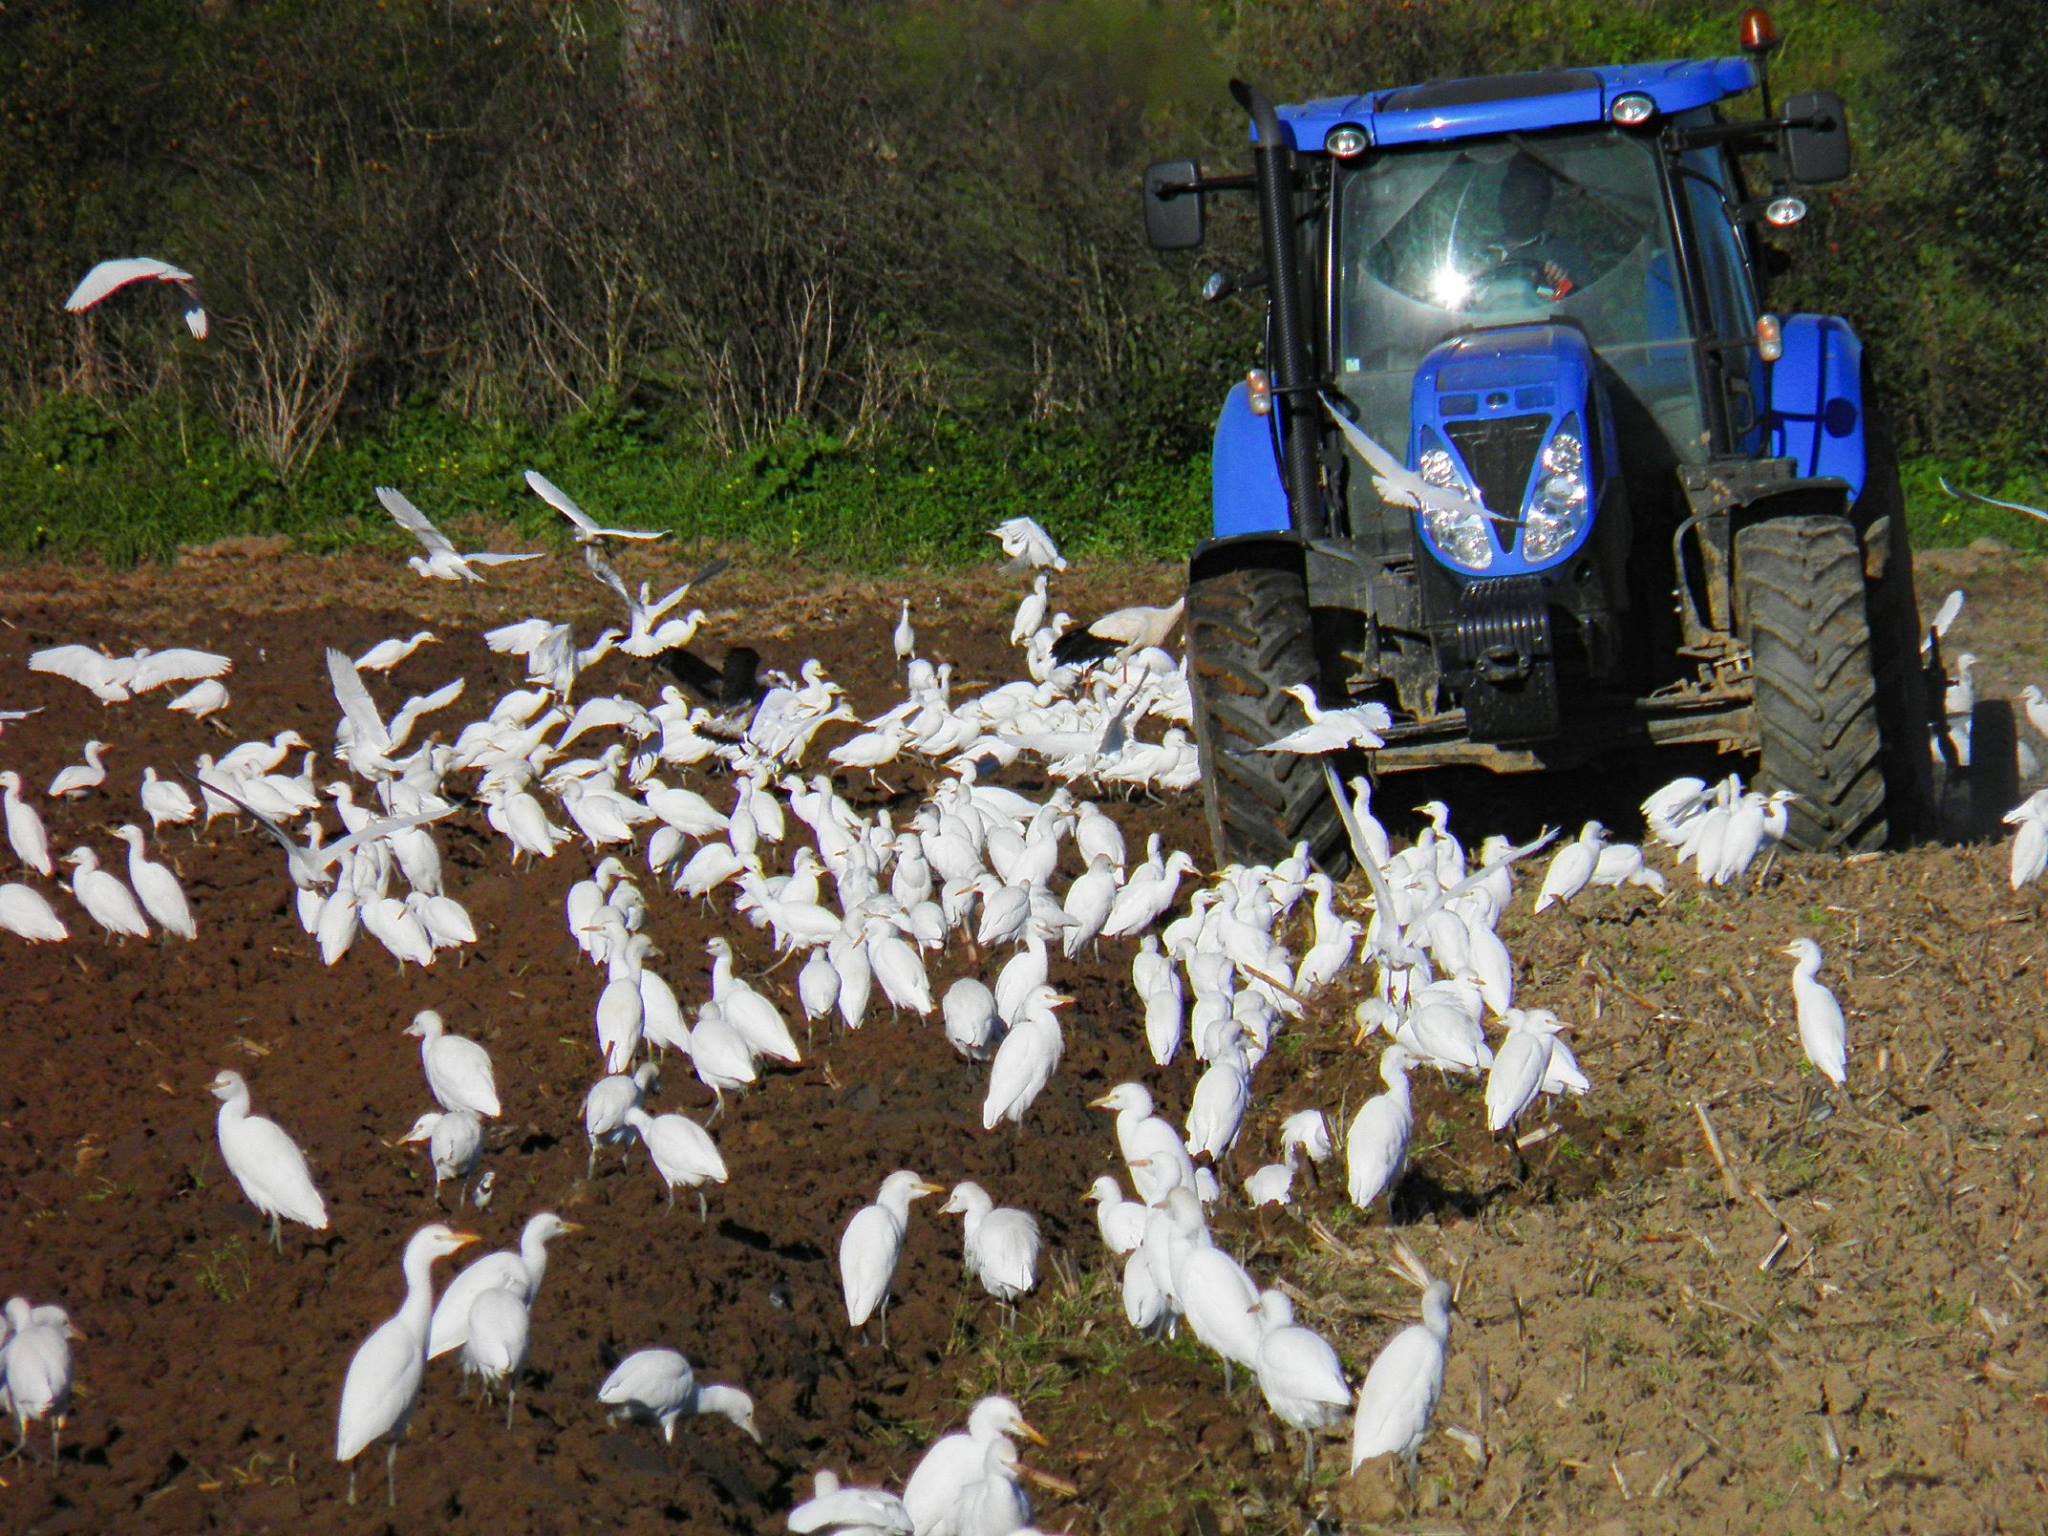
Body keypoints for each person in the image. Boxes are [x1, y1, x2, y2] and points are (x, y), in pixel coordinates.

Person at [1484, 154, 1586, 302]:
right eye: (1513, 195)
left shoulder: (1566, 257)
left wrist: (1561, 287)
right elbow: (1454, 314)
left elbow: (1587, 312)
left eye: (1530, 198)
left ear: (1544, 206)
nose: (1519, 206)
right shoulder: (1475, 256)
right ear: (1501, 200)